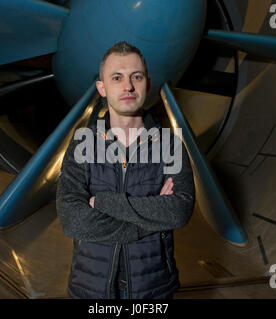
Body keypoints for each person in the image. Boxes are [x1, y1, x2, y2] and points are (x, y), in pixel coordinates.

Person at [56, 41, 195, 299]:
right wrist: (151, 219)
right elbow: (71, 218)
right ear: (102, 88)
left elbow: (179, 210)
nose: (128, 86)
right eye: (117, 77)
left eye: (137, 77)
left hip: (153, 291)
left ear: (147, 84)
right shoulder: (82, 143)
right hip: (90, 290)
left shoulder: (170, 145)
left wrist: (103, 202)